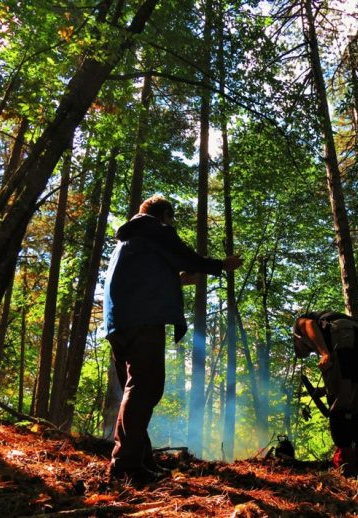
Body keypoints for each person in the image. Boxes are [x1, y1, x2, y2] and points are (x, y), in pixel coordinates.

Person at [103, 194, 242, 483]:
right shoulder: (154, 229)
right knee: (145, 387)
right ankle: (125, 465)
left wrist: (176, 279)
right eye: (172, 217)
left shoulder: (130, 240)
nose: (172, 223)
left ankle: (139, 459)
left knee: (138, 388)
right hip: (143, 319)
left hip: (119, 322)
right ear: (164, 214)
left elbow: (143, 277)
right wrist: (220, 265)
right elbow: (187, 256)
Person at [292, 311, 358, 475]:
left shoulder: (299, 325)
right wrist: (324, 389)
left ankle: (347, 464)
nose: (309, 352)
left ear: (297, 341)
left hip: (342, 333)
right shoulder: (330, 321)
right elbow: (344, 380)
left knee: (340, 406)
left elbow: (308, 325)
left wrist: (323, 352)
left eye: (306, 350)